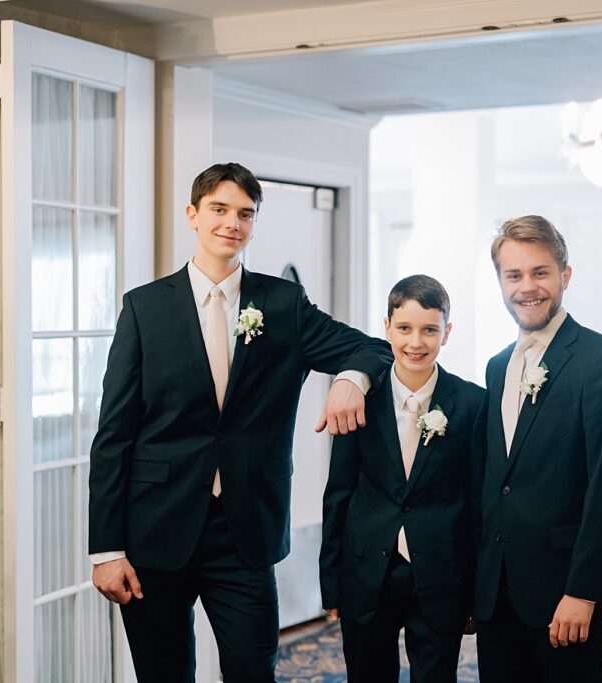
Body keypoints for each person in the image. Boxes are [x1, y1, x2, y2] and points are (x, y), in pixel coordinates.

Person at [88, 163, 392, 683]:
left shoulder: (282, 303)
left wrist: (350, 380)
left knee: (254, 668)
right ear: (193, 215)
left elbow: (372, 348)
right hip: (155, 528)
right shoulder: (144, 308)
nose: (233, 222)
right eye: (220, 210)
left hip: (244, 530)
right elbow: (114, 435)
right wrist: (106, 550)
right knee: (164, 673)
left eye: (245, 214)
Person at [473, 215, 602, 682]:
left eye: (540, 272)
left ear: (565, 276)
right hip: (498, 594)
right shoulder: (496, 367)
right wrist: (477, 588)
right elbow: (496, 483)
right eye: (514, 275)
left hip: (565, 594)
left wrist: (583, 592)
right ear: (501, 283)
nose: (528, 287)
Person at [320, 274, 485, 682]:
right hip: (366, 570)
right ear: (387, 328)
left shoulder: (472, 404)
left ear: (447, 333)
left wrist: (475, 592)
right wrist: (332, 581)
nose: (416, 342)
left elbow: (478, 503)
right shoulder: (359, 400)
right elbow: (338, 491)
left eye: (430, 330)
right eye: (405, 328)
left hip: (441, 573)